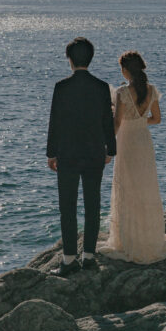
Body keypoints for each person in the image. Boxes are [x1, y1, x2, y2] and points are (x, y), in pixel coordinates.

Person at [98, 50, 166, 264]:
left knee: (127, 187)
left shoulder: (123, 92)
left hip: (127, 143)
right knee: (145, 186)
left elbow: (116, 123)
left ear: (125, 70)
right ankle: (149, 238)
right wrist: (139, 123)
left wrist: (108, 147)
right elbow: (157, 119)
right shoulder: (151, 90)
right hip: (144, 142)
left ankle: (127, 240)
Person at [46, 37, 116, 277]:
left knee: (68, 207)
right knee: (93, 204)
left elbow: (55, 122)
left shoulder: (62, 87)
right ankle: (89, 256)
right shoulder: (101, 86)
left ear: (70, 59)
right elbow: (108, 122)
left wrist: (51, 153)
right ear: (90, 58)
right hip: (95, 152)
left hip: (67, 153)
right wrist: (111, 150)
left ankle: (68, 259)